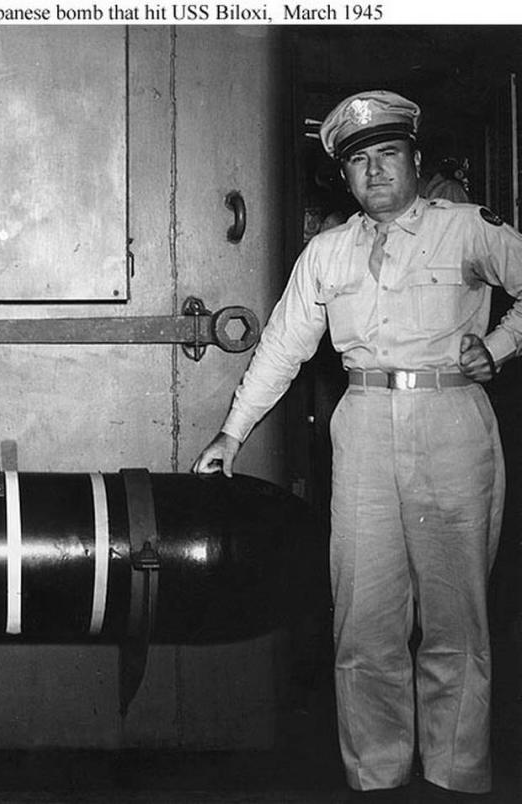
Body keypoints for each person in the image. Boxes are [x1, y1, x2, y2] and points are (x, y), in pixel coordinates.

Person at [192, 90, 522, 799]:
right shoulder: (327, 253)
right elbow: (281, 347)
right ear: (344, 178)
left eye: (389, 156)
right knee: (364, 618)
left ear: (416, 160)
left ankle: (455, 777)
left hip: (452, 420)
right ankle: (375, 776)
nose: (376, 173)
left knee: (455, 618)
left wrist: (499, 343)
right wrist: (231, 433)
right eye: (360, 163)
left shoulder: (467, 229)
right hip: (366, 421)